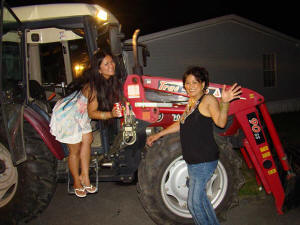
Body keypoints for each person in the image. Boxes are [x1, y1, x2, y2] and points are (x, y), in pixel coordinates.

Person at [147, 66, 241, 225]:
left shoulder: (208, 100)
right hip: (193, 161)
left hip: (204, 161)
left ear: (203, 84)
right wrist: (158, 134)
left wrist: (225, 103)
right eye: (187, 83)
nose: (190, 86)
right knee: (202, 200)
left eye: (194, 83)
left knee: (193, 203)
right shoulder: (192, 102)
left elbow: (221, 122)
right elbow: (180, 123)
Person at [50, 50, 123, 198]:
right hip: (69, 115)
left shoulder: (106, 81)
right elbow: (92, 113)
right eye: (106, 63)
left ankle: (85, 177)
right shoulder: (94, 87)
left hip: (81, 114)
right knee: (75, 150)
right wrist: (110, 114)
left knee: (87, 140)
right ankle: (76, 181)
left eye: (112, 62)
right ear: (99, 69)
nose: (111, 65)